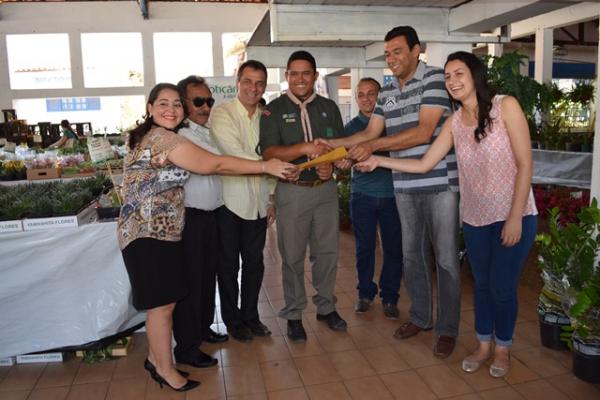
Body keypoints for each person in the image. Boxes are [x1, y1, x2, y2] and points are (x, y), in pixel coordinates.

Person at [356, 51, 538, 378]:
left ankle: (503, 349)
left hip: (515, 214)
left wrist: (514, 217)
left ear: (475, 74)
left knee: (502, 287)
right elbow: (425, 164)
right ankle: (483, 345)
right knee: (482, 285)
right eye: (448, 76)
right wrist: (379, 161)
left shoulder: (505, 106)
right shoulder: (455, 123)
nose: (452, 81)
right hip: (475, 218)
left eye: (459, 74)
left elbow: (526, 164)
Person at [117, 83, 295, 392]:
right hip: (147, 233)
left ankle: (154, 358)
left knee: (163, 304)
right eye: (163, 104)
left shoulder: (161, 136)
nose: (170, 109)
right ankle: (165, 369)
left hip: (161, 232)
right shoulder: (162, 138)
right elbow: (215, 163)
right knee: (162, 307)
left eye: (176, 104)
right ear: (149, 108)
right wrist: (266, 165)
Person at [327, 26, 461, 359]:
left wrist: (371, 146)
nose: (391, 58)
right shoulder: (387, 93)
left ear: (417, 50)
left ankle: (447, 329)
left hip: (440, 183)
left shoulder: (433, 80)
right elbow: (371, 131)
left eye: (397, 51)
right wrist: (331, 145)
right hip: (403, 184)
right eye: (387, 54)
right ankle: (420, 317)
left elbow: (423, 132)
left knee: (445, 259)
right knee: (411, 255)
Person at [260, 50, 347, 342]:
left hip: (325, 192)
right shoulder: (272, 110)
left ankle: (326, 307)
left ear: (315, 76)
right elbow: (269, 152)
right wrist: (303, 149)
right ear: (287, 77)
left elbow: (339, 147)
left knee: (327, 253)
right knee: (293, 256)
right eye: (294, 73)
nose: (300, 79)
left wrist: (331, 165)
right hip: (292, 193)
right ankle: (295, 313)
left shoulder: (329, 107)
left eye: (305, 73)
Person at [209, 60, 273, 342]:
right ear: (238, 82)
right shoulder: (221, 114)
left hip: (258, 202)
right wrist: (271, 164)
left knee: (254, 264)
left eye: (259, 83)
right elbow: (231, 154)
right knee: (227, 265)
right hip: (229, 202)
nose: (253, 88)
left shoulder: (266, 117)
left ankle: (251, 316)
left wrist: (271, 196)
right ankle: (232, 320)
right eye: (248, 81)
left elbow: (271, 153)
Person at [171, 75, 227, 370]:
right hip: (190, 218)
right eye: (199, 101)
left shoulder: (206, 132)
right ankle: (187, 348)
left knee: (208, 279)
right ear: (184, 103)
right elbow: (215, 163)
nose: (206, 107)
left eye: (209, 101)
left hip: (211, 217)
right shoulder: (181, 136)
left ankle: (203, 328)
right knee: (192, 284)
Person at [343, 77, 403, 318]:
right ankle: (365, 294)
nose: (367, 99)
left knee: (393, 250)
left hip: (392, 196)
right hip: (363, 196)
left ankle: (390, 297)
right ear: (356, 99)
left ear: (379, 97)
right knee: (364, 248)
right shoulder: (350, 129)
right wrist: (342, 162)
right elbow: (343, 161)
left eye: (371, 93)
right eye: (361, 94)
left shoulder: (394, 125)